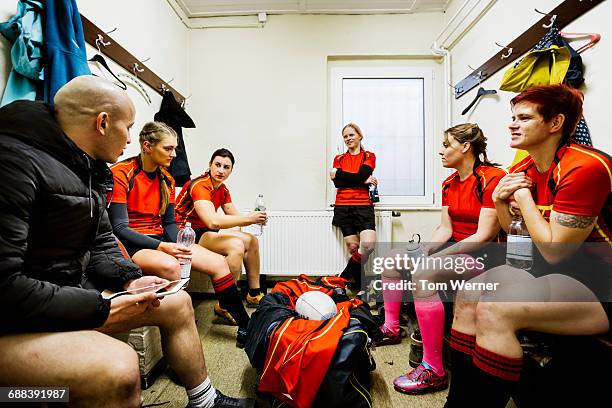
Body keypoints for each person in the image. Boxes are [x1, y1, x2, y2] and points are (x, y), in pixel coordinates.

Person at [0, 76, 254, 408]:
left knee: (176, 303)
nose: (132, 138)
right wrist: (101, 307)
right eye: (129, 127)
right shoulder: (13, 163)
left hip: (72, 290)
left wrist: (129, 279)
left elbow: (104, 241)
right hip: (20, 318)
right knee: (119, 370)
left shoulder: (89, 169)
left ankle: (205, 401)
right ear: (102, 123)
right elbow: (6, 286)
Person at [445, 84, 611, 407]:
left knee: (495, 311)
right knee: (467, 294)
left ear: (555, 123)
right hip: (559, 274)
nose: (512, 124)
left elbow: (555, 251)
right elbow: (517, 234)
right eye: (513, 117)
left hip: (600, 282)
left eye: (524, 117)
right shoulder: (522, 169)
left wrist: (521, 197)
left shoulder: (584, 168)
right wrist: (499, 200)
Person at [381, 124, 506, 395]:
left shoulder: (492, 177)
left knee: (424, 273)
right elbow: (445, 229)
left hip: (484, 257)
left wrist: (436, 257)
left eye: (447, 145)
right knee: (392, 259)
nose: (441, 150)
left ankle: (433, 369)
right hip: (455, 249)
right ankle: (390, 328)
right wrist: (425, 249)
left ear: (465, 146)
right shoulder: (449, 183)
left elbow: (484, 235)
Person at [108, 125, 251, 344]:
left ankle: (246, 326)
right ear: (147, 146)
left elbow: (169, 223)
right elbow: (119, 228)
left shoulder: (167, 178)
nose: (174, 154)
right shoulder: (121, 173)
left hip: (161, 238)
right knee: (171, 265)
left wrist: (180, 244)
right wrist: (163, 247)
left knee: (219, 264)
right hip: (134, 242)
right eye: (168, 148)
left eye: (174, 148)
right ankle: (179, 333)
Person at [175, 148, 267, 311]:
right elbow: (212, 222)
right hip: (185, 233)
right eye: (217, 165)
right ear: (210, 165)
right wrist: (248, 218)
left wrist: (255, 219)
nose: (221, 170)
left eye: (226, 167)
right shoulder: (200, 185)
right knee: (236, 246)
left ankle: (254, 294)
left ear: (231, 170)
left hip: (204, 232)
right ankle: (226, 305)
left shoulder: (222, 190)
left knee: (251, 240)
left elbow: (234, 216)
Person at [330, 123, 377, 289]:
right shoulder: (339, 158)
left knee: (368, 245)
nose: (348, 138)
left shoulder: (369, 156)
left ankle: (343, 277)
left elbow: (360, 175)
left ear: (359, 136)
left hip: (364, 206)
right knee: (353, 247)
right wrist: (360, 180)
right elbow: (337, 183)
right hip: (343, 206)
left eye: (351, 135)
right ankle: (360, 286)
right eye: (345, 136)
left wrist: (344, 175)